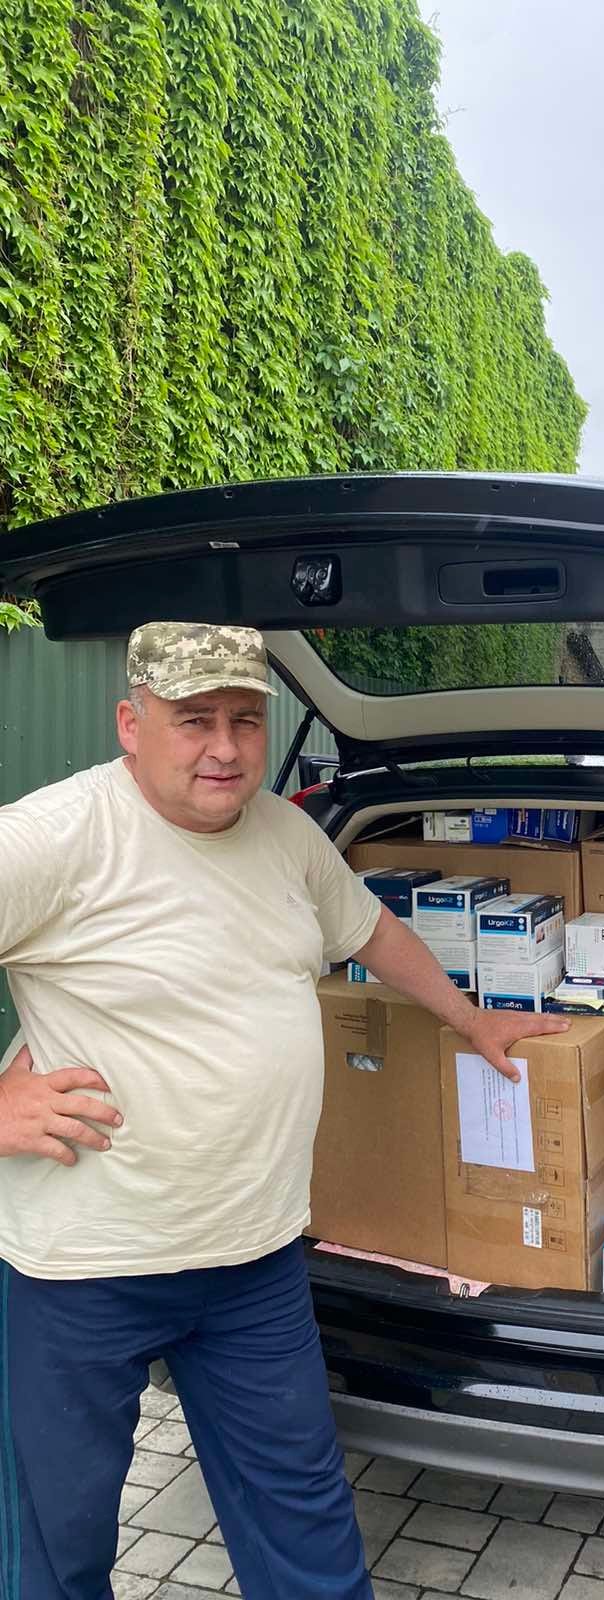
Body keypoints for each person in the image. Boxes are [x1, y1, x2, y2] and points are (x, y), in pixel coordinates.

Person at [0, 621, 569, 1600]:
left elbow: (374, 929)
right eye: (194, 721)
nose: (225, 748)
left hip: (252, 1262)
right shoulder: (52, 840)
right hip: (84, 1271)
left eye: (244, 720)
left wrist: (470, 1016)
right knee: (57, 1557)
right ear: (131, 723)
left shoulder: (286, 833)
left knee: (308, 1544)